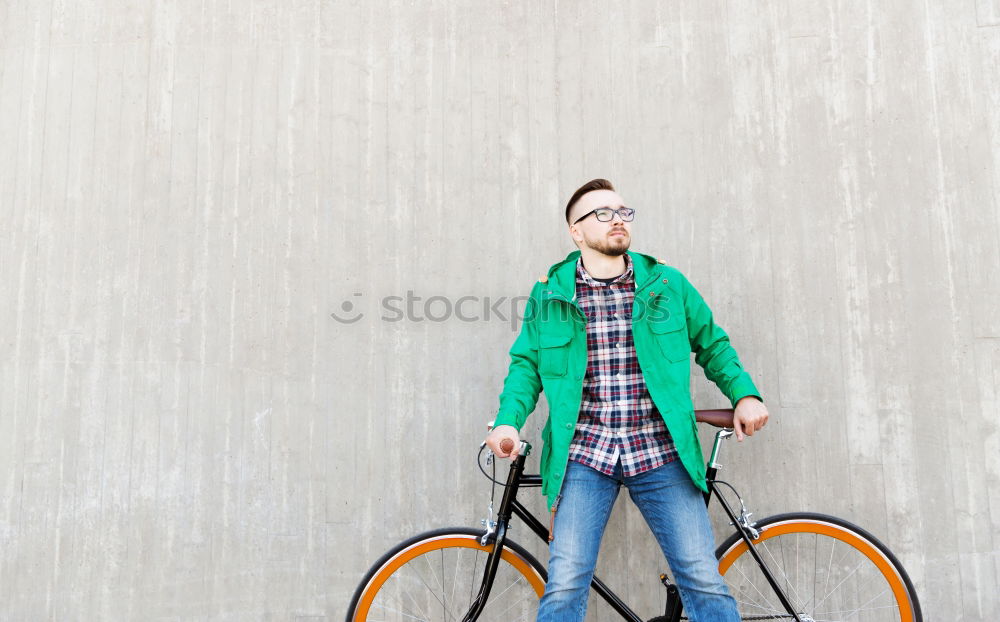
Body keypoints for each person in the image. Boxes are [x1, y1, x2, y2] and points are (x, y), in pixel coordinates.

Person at [484, 179, 769, 622]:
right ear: (575, 232)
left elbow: (713, 345)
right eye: (601, 213)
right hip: (584, 455)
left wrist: (745, 394)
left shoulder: (667, 284)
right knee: (564, 584)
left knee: (701, 578)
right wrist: (507, 422)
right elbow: (526, 366)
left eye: (622, 211)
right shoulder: (550, 293)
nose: (617, 218)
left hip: (661, 451)